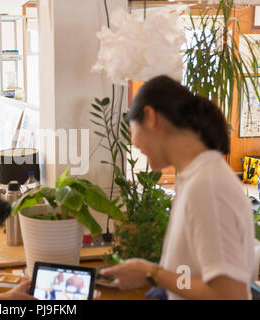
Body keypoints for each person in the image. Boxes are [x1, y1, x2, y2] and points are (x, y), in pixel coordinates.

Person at [100, 75, 255, 300]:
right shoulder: (195, 178)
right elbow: (194, 278)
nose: (132, 142)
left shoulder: (207, 186)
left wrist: (151, 272)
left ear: (150, 117)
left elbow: (229, 294)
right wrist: (154, 275)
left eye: (131, 129)